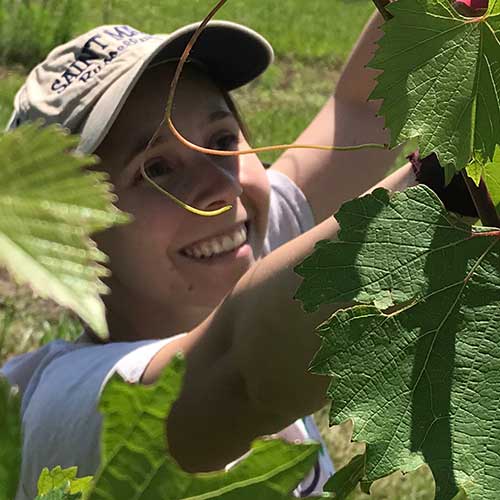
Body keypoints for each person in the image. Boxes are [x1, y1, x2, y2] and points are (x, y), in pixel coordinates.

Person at [1, 11, 425, 499]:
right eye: (156, 169)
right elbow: (241, 373)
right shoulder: (59, 402)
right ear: (68, 239)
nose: (222, 187)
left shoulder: (239, 243)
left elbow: (362, 109)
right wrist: (447, 192)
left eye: (223, 140)